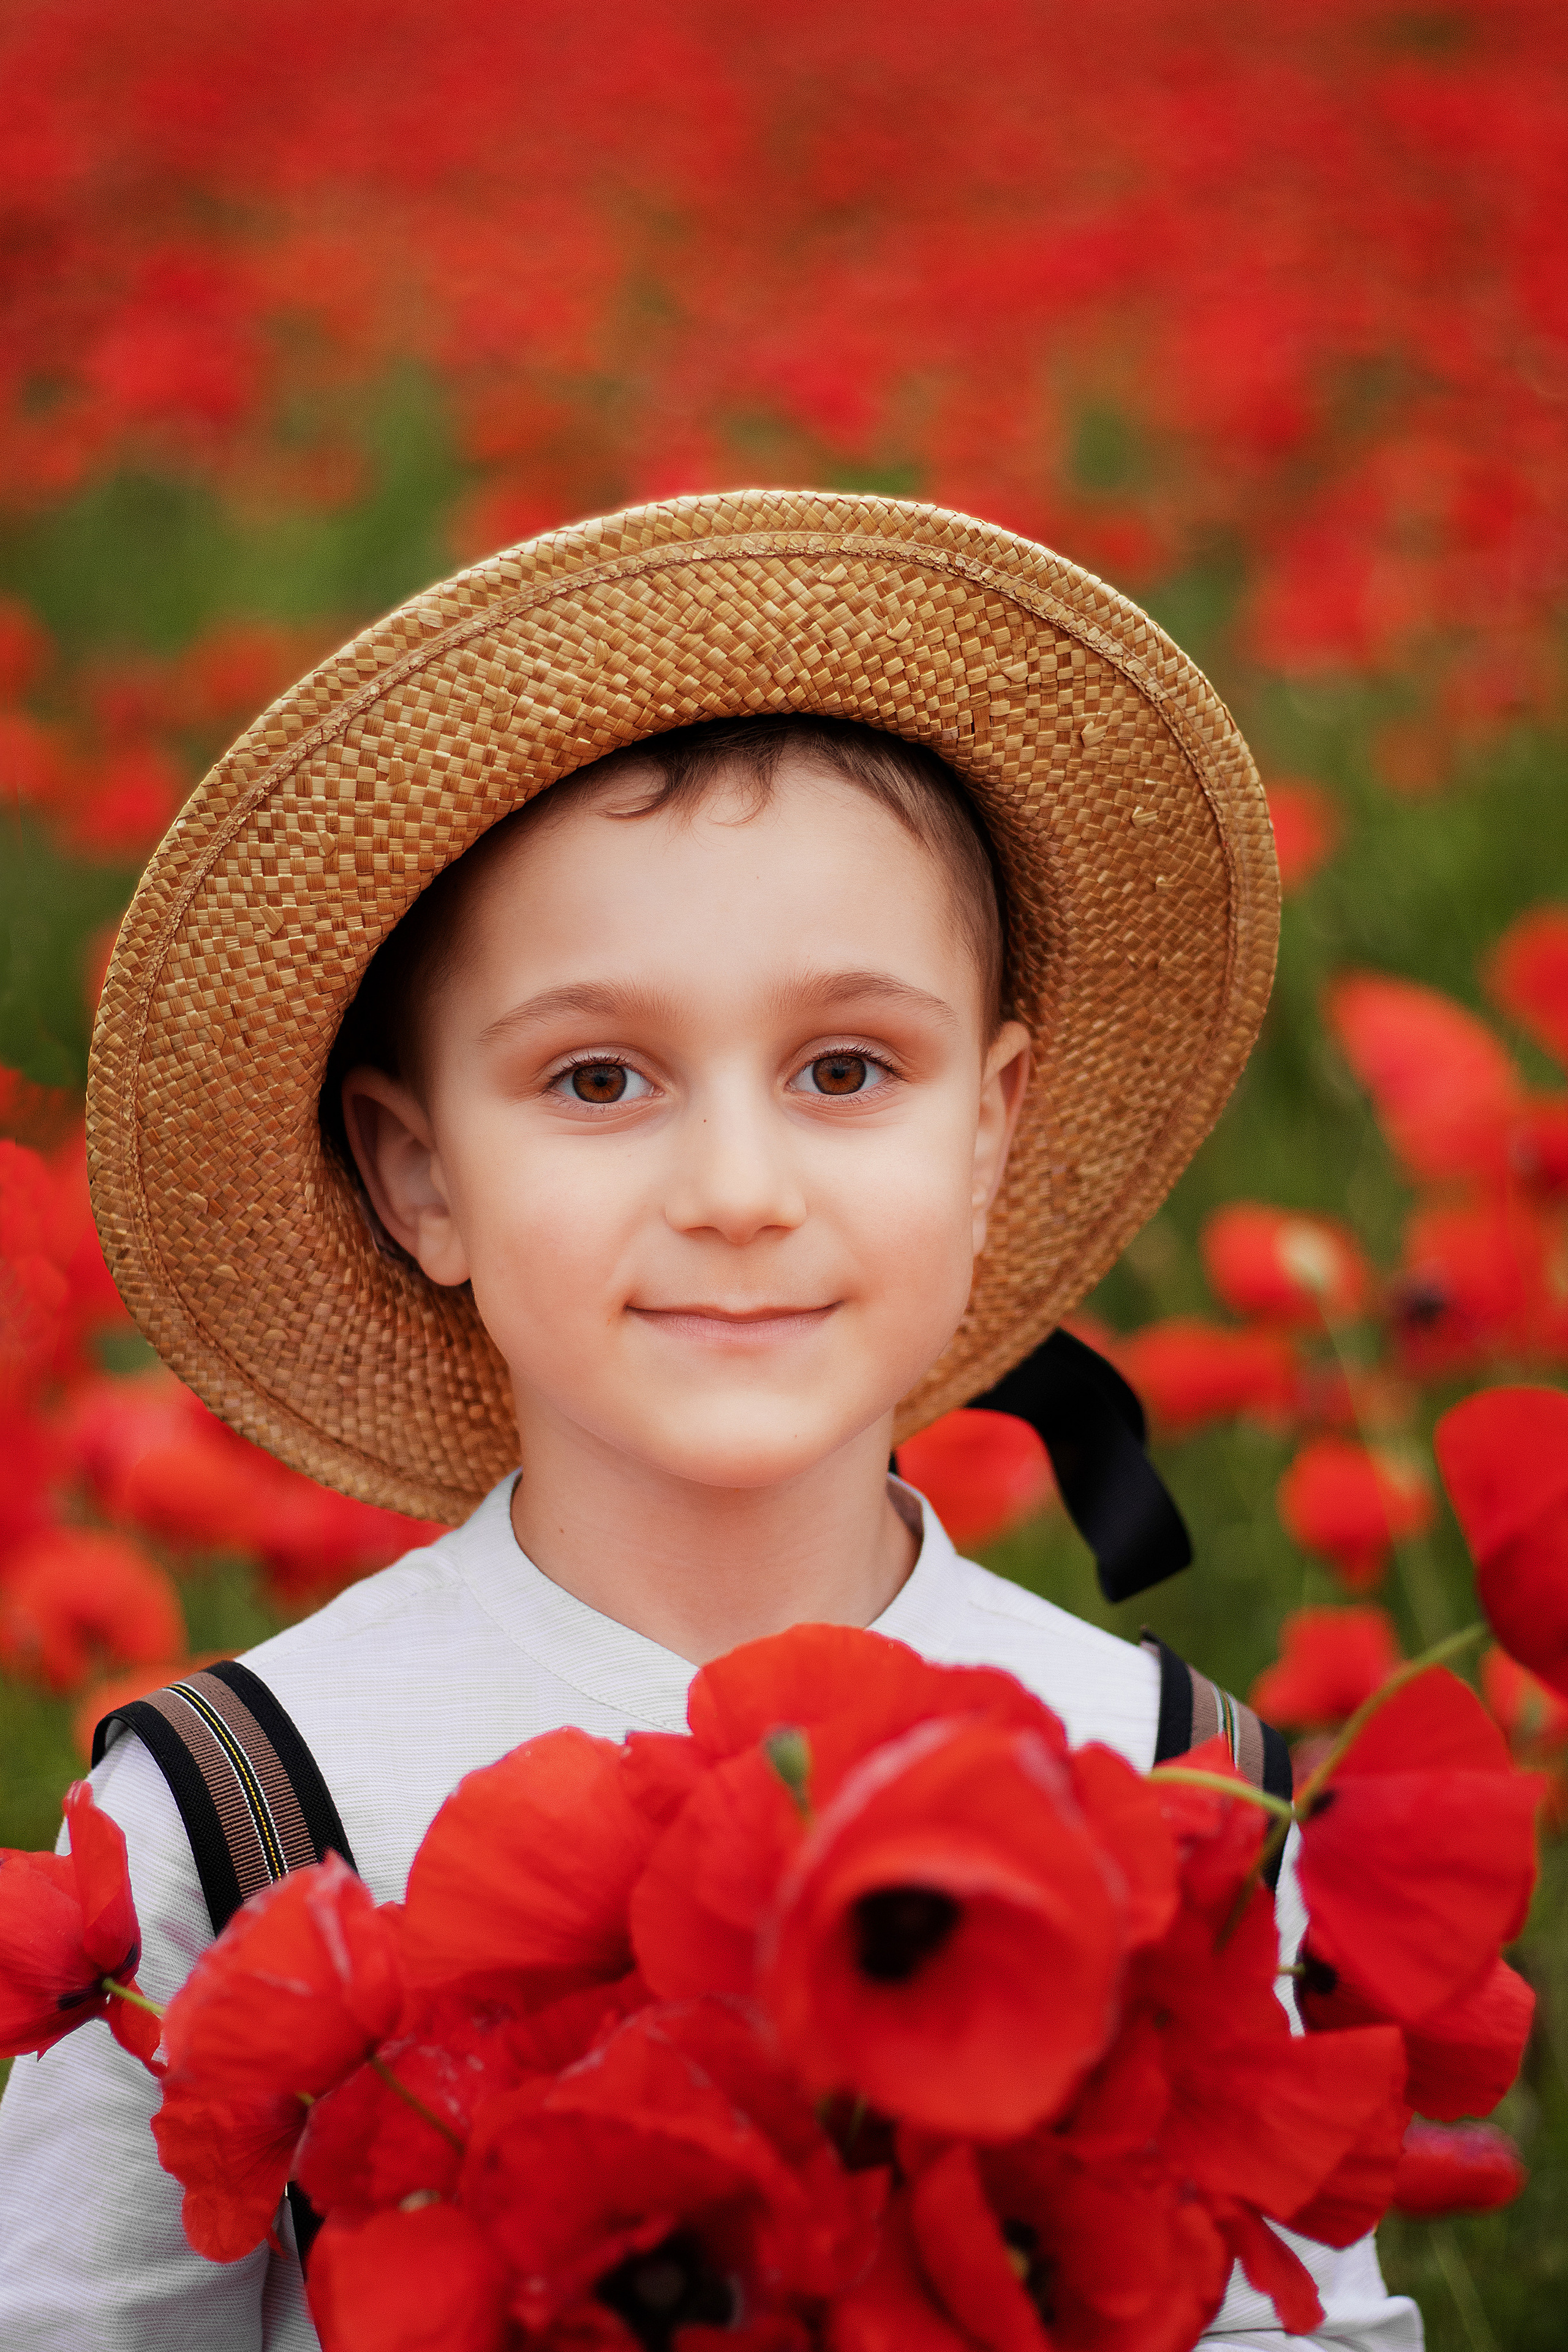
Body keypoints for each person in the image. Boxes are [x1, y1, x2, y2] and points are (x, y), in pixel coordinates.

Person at [0, 492, 1419, 2350]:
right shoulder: (238, 1815)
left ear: (989, 1132)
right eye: (601, 1078)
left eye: (848, 1068)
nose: (739, 1188)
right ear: (417, 1173)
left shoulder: (1177, 1783)